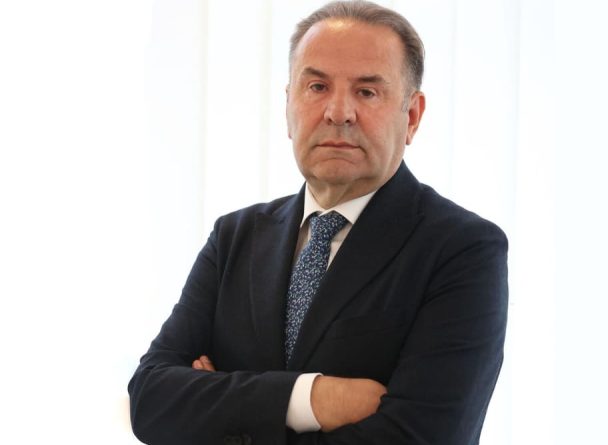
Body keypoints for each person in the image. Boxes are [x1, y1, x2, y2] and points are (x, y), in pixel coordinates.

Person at [128, 1, 508, 444]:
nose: (338, 112)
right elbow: (150, 400)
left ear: (412, 116)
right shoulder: (234, 237)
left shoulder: (462, 249)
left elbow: (423, 437)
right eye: (317, 86)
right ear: (288, 106)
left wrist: (217, 410)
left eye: (367, 92)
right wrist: (313, 398)